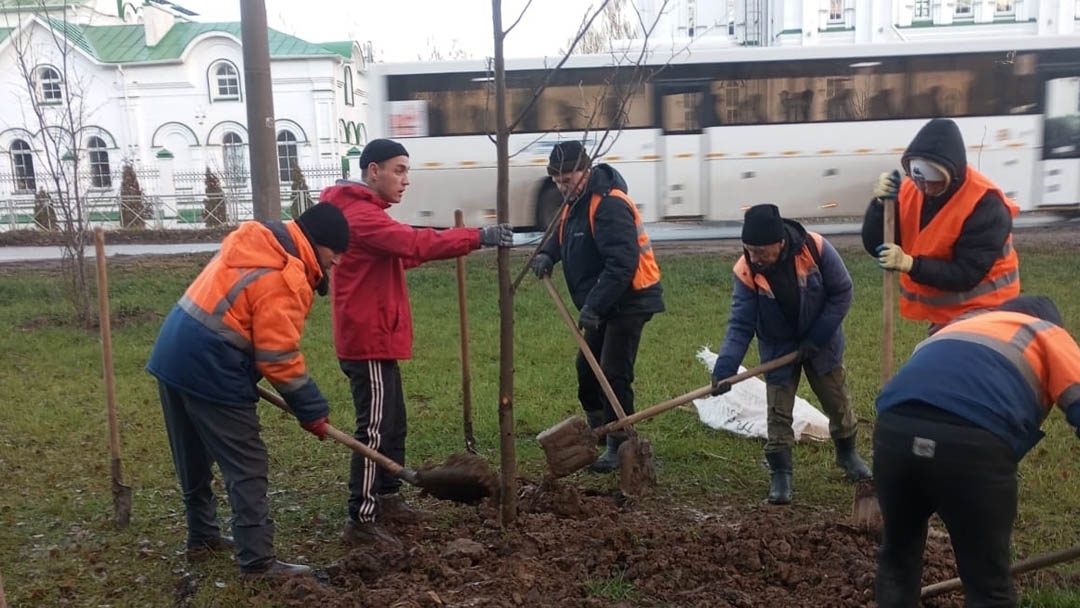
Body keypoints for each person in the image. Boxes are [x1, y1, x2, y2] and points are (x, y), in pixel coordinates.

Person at [320, 138, 513, 546]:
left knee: (394, 424)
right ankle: (362, 519)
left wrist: (451, 243)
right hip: (366, 340)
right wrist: (477, 237)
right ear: (373, 171)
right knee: (373, 430)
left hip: (378, 337)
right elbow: (411, 243)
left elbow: (404, 253)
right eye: (399, 170)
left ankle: (388, 496)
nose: (406, 180)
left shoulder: (366, 214)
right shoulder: (359, 215)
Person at [146, 203, 350, 578]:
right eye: (335, 252)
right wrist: (311, 409)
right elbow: (278, 355)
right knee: (247, 464)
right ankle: (258, 562)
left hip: (173, 350)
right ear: (317, 244)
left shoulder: (257, 243)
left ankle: (202, 535)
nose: (336, 261)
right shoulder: (286, 274)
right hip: (210, 363)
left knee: (192, 454)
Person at [872, 295, 1080, 607]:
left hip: (893, 434)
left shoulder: (956, 327)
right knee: (987, 587)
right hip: (971, 446)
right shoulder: (1046, 333)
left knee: (898, 561)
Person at [711, 204, 871, 505]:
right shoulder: (745, 270)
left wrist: (817, 337)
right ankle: (781, 473)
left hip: (821, 340)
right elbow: (740, 323)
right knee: (778, 411)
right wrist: (725, 367)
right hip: (778, 346)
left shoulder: (815, 247)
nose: (755, 258)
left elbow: (842, 292)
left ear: (780, 243)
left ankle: (848, 454)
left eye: (761, 252)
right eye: (749, 250)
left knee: (836, 401)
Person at [530, 140, 664, 473]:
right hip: (603, 302)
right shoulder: (574, 203)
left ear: (586, 170)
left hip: (630, 300)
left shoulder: (609, 205)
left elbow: (622, 263)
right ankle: (600, 429)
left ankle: (620, 444)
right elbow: (564, 236)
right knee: (586, 370)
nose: (563, 187)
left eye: (568, 179)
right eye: (558, 181)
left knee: (613, 374)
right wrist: (548, 253)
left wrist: (593, 305)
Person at [862, 117, 1020, 333]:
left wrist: (911, 265)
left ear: (952, 178)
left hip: (988, 310)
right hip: (947, 313)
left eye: (934, 183)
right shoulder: (910, 190)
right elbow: (876, 244)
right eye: (919, 180)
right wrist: (880, 206)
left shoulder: (985, 206)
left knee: (953, 362)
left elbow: (966, 274)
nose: (924, 188)